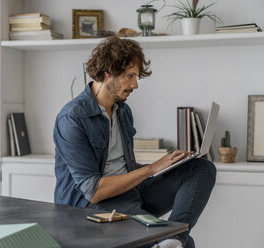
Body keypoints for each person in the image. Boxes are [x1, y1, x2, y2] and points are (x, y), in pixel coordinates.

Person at [53, 36, 216, 248]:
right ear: (107, 73)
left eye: (136, 76)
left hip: (130, 193)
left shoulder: (123, 110)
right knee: (187, 245)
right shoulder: (72, 118)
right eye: (130, 76)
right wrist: (152, 168)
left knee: (201, 168)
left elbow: (123, 166)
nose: (135, 84)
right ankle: (170, 240)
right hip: (89, 207)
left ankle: (173, 238)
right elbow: (93, 191)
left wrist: (168, 164)